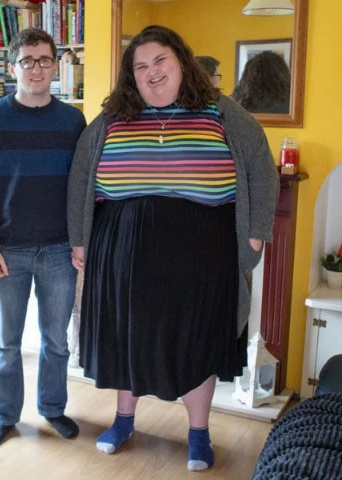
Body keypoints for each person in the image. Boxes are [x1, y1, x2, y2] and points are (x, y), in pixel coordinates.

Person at [68, 25, 279, 471]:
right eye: (140, 66)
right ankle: (124, 420)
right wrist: (80, 239)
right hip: (122, 250)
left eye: (160, 60)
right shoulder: (113, 116)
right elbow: (81, 176)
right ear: (131, 75)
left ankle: (198, 433)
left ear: (182, 61)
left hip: (203, 251)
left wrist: (256, 232)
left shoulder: (221, 111)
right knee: (126, 337)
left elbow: (262, 167)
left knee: (197, 341)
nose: (152, 72)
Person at [0, 27, 86, 447]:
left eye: (45, 60)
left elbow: (81, 188)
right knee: (5, 342)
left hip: (59, 250)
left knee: (56, 341)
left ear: (55, 67)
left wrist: (80, 240)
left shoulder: (72, 121)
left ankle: (53, 408)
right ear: (12, 67)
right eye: (27, 61)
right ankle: (3, 415)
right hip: (7, 252)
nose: (37, 68)